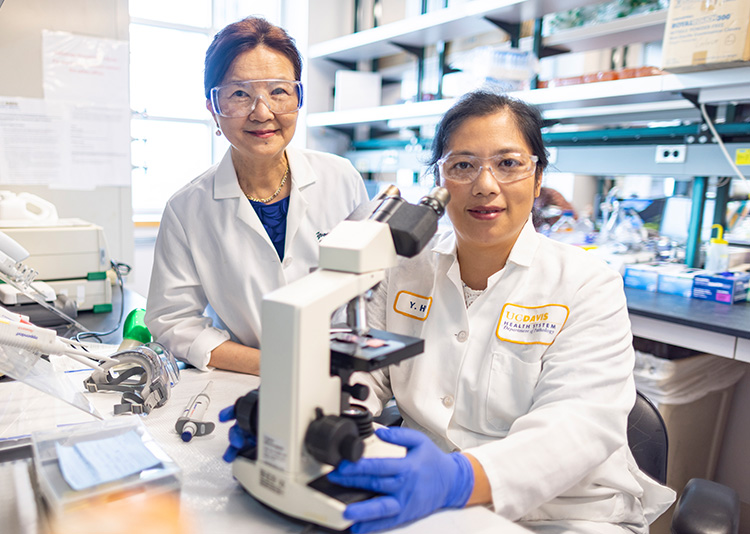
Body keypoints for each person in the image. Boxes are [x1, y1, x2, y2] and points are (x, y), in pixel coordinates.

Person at [323, 91, 676, 533]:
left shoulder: (586, 282)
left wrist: (461, 479)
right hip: (430, 504)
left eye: (508, 164)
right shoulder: (405, 270)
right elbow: (362, 379)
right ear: (439, 180)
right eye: (463, 165)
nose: (484, 185)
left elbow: (577, 425)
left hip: (565, 514)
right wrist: (302, 415)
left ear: (537, 175)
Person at [145, 17, 368, 375]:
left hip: (344, 374)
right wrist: (276, 365)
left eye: (279, 91)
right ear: (213, 109)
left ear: (298, 99)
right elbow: (172, 321)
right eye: (239, 94)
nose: (262, 112)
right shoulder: (187, 209)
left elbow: (375, 285)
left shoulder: (341, 178)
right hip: (249, 381)